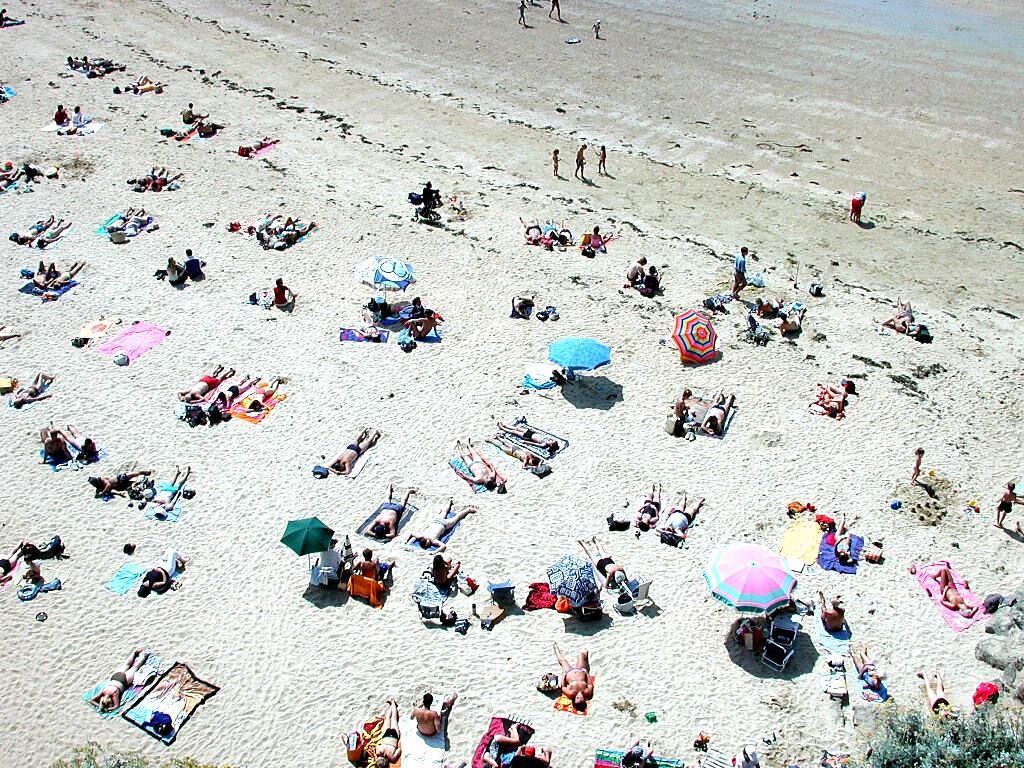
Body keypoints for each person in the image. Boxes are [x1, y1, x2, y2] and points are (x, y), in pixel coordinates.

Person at [89, 649, 154, 712]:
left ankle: (145, 656)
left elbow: (116, 706)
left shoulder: (114, 695)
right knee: (126, 664)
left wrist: (105, 708)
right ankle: (134, 652)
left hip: (123, 680)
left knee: (135, 667)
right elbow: (92, 700)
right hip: (115, 677)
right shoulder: (103, 692)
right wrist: (100, 705)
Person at [407, 502, 477, 551]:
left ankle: (468, 510)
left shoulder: (433, 540)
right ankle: (449, 502)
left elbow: (443, 546)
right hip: (435, 521)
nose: (429, 544)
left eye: (428, 544)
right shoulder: (421, 536)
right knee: (443, 512)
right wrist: (406, 540)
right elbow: (411, 533)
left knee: (457, 517)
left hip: (444, 524)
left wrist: (435, 552)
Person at [554, 643, 593, 711]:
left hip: (568, 673)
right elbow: (590, 684)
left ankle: (556, 649)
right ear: (584, 700)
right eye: (579, 699)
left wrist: (564, 675)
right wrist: (586, 673)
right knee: (581, 655)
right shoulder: (587, 692)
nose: (577, 697)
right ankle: (585, 657)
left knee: (563, 661)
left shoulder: (571, 693)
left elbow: (563, 687)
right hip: (581, 670)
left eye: (576, 699)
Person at [87, 469, 153, 499]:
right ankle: (146, 481)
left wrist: (103, 492)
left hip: (119, 479)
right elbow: (111, 491)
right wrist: (119, 494)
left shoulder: (101, 478)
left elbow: (109, 485)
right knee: (135, 484)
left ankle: (144, 472)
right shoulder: (100, 488)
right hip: (119, 486)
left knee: (133, 474)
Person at [375, 700, 402, 768]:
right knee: (388, 718)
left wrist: (394, 749)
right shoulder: (378, 752)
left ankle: (392, 705)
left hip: (394, 737)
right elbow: (377, 745)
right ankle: (392, 704)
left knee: (394, 719)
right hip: (386, 736)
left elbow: (398, 750)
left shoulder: (391, 757)